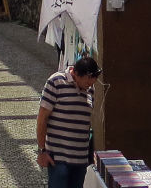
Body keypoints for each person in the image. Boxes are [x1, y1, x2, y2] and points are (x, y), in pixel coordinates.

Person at [36, 55, 102, 188]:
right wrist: (42, 150)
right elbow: (42, 118)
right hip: (58, 158)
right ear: (76, 74)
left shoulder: (90, 89)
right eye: (87, 82)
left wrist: (90, 154)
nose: (89, 86)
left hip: (80, 159)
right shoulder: (56, 82)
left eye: (92, 83)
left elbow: (86, 123)